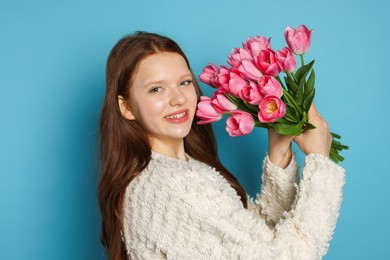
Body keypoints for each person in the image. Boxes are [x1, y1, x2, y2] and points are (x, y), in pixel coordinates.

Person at [98, 31, 345, 260]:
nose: (178, 99)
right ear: (126, 107)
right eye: (156, 89)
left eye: (184, 82)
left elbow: (254, 238)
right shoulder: (177, 185)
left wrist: (278, 156)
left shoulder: (169, 173)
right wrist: (320, 161)